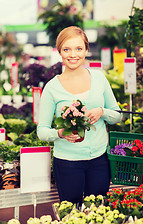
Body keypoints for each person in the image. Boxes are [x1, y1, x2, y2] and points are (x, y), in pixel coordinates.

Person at [37, 26, 122, 205]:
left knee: (99, 211)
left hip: (99, 160)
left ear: (86, 50)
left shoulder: (99, 79)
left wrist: (102, 112)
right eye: (66, 49)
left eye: (78, 49)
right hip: (67, 163)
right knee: (71, 214)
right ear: (59, 51)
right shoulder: (52, 88)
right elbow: (42, 131)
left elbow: (118, 115)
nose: (72, 55)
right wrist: (60, 133)